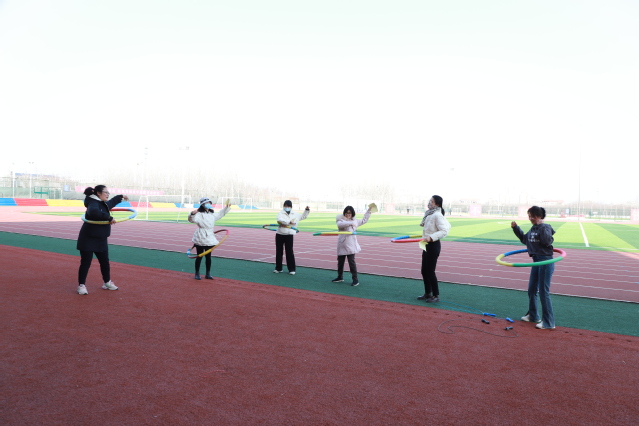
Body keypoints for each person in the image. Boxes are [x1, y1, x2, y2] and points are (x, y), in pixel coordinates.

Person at [76, 185, 129, 295]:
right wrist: (109, 217)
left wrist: (121, 196)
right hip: (88, 238)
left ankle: (107, 282)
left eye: (108, 192)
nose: (108, 194)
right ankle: (81, 285)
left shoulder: (102, 203)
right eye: (106, 192)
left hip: (101, 239)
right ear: (98, 193)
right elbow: (93, 212)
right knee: (86, 262)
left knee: (104, 262)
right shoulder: (93, 203)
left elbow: (111, 203)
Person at [511, 206, 556, 330]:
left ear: (540, 216)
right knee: (532, 289)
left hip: (545, 261)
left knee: (543, 292)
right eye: (529, 216)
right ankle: (533, 315)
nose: (531, 218)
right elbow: (525, 240)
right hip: (536, 261)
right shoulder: (533, 228)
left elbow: (547, 241)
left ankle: (549, 322)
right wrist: (516, 228)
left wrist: (542, 226)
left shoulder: (545, 227)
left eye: (533, 216)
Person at [417, 195, 451, 303]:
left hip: (433, 245)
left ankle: (436, 295)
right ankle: (428, 293)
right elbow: (429, 228)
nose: (429, 203)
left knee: (430, 271)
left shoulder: (437, 215)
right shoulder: (429, 214)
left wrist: (431, 237)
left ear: (437, 204)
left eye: (432, 201)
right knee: (424, 270)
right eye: (430, 201)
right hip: (426, 244)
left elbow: (444, 231)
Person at [188, 197, 231, 280]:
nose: (208, 204)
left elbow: (220, 214)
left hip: (210, 237)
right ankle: (197, 274)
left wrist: (227, 207)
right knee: (199, 256)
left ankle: (208, 274)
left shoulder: (211, 214)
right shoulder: (199, 214)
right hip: (201, 237)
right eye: (206, 203)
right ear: (202, 204)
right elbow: (191, 220)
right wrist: (192, 214)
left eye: (209, 202)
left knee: (208, 257)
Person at [332, 205, 372, 286]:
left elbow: (364, 220)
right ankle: (340, 277)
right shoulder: (340, 220)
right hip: (342, 244)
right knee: (340, 262)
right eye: (346, 213)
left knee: (352, 263)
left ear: (352, 213)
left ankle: (355, 280)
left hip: (351, 245)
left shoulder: (355, 221)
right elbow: (340, 225)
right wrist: (352, 223)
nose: (348, 214)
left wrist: (369, 211)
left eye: (349, 213)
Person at [274, 200, 310, 275]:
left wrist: (306, 210)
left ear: (291, 207)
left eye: (288, 206)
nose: (287, 207)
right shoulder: (280, 213)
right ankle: (278, 268)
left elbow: (303, 216)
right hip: (280, 234)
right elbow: (279, 220)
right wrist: (289, 222)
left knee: (289, 252)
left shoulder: (295, 214)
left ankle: (291, 269)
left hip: (289, 235)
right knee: (279, 252)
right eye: (285, 206)